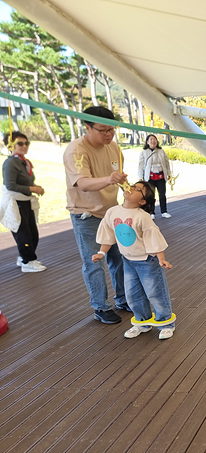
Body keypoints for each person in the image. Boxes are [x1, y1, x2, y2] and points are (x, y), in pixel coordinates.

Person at [64, 106, 129, 325]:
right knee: (94, 262)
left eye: (112, 130)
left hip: (111, 212)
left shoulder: (114, 147)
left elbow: (120, 179)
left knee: (119, 258)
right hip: (86, 214)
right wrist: (109, 179)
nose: (109, 135)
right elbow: (82, 183)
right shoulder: (76, 150)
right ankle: (101, 307)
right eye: (103, 130)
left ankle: (123, 299)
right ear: (88, 127)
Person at [92, 181, 176, 340]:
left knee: (155, 292)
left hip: (147, 261)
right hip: (128, 261)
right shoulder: (112, 212)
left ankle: (165, 323)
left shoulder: (142, 216)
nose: (131, 189)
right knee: (132, 293)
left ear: (142, 201)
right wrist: (101, 253)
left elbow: (153, 237)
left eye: (138, 189)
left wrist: (161, 258)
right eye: (132, 185)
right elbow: (108, 233)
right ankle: (142, 322)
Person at [0, 131, 46, 272]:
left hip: (25, 200)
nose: (24, 146)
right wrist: (32, 188)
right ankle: (27, 261)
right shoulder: (10, 163)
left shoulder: (23, 162)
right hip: (16, 201)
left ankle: (24, 257)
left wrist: (34, 187)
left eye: (26, 143)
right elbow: (10, 185)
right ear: (11, 145)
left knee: (32, 233)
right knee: (23, 233)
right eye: (20, 143)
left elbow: (24, 182)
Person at [138, 134, 172, 219]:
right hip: (150, 177)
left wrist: (169, 174)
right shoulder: (144, 152)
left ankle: (164, 211)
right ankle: (151, 212)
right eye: (151, 140)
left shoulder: (161, 151)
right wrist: (140, 176)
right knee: (151, 196)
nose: (153, 141)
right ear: (147, 142)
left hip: (160, 176)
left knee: (162, 195)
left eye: (154, 139)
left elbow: (167, 163)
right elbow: (141, 165)